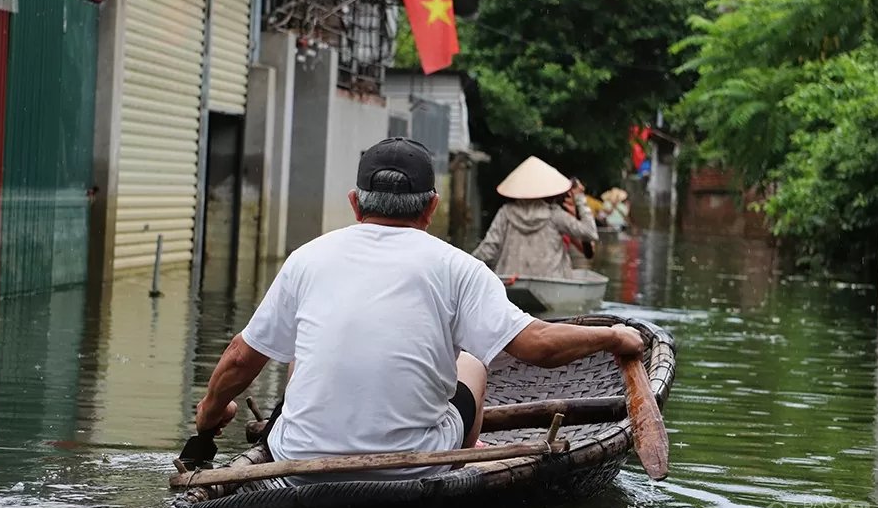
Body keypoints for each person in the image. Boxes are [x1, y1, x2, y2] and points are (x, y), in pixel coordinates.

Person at [193, 138, 644, 484]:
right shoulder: (458, 268)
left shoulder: (306, 259)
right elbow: (538, 346)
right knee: (472, 360)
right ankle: (465, 451)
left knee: (298, 355)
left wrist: (209, 417)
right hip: (414, 468)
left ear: (355, 203)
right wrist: (613, 336)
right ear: (432, 207)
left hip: (299, 461)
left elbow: (240, 357)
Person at [471, 157, 598, 279]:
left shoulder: (506, 213)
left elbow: (488, 250)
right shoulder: (555, 215)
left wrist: (465, 266)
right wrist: (580, 199)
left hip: (510, 281)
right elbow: (590, 233)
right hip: (552, 283)